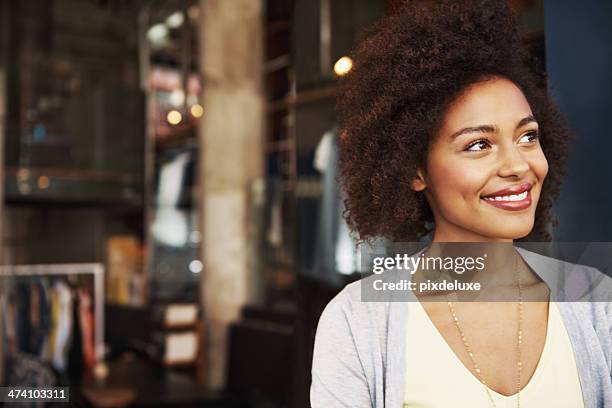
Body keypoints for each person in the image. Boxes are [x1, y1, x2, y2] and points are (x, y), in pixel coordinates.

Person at [310, 1, 612, 407]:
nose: (518, 165)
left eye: (527, 136)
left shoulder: (596, 303)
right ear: (416, 171)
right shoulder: (358, 323)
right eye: (479, 144)